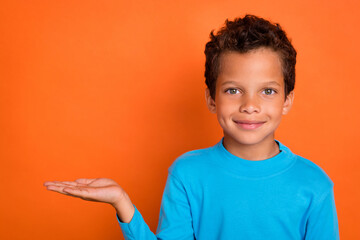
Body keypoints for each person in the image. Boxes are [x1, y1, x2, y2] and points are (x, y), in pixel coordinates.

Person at [44, 14, 339, 239]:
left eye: (268, 91)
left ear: (287, 101)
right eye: (233, 90)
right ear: (212, 99)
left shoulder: (315, 185)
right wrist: (123, 204)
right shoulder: (187, 174)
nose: (250, 105)